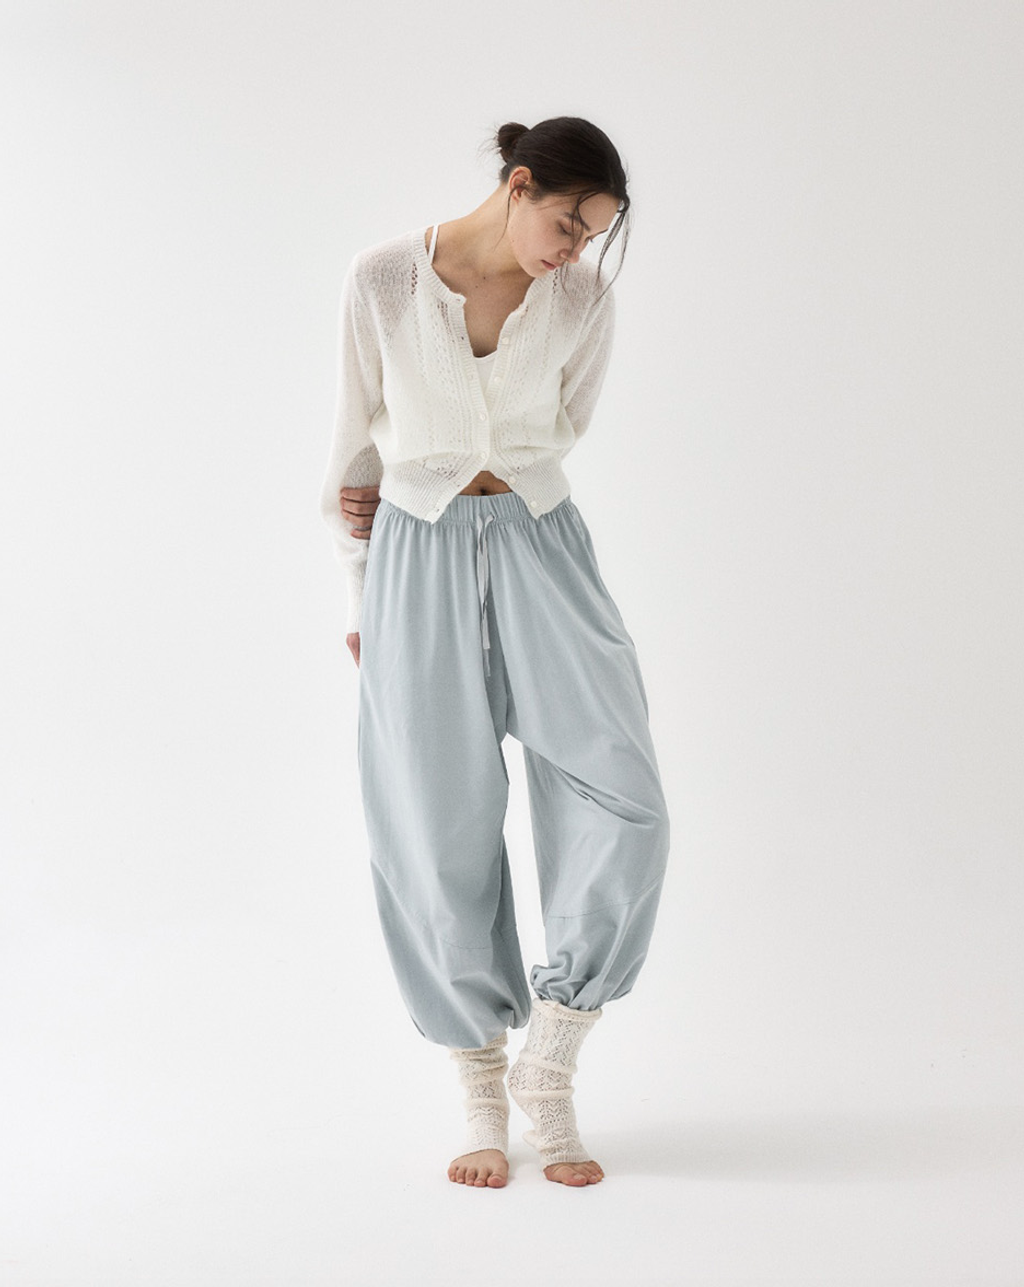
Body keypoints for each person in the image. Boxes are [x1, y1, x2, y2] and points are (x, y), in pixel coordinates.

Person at [319, 116, 671, 1190]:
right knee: (432, 819)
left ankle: (550, 1061)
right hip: (415, 553)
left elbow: (563, 427)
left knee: (623, 796)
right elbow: (353, 446)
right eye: (567, 223)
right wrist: (364, 595)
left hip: (541, 543)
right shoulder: (383, 279)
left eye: (592, 234)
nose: (575, 249)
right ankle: (479, 1086)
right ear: (518, 186)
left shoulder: (583, 299)